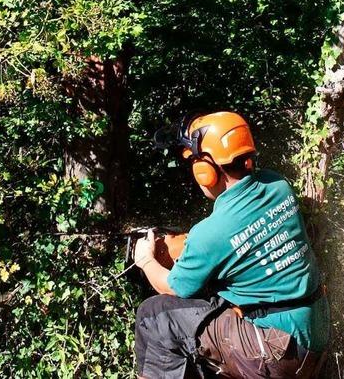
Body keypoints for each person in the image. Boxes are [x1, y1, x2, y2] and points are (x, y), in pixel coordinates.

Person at [133, 111, 330, 378]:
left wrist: (145, 259)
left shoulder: (212, 234)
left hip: (278, 352)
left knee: (155, 316)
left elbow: (171, 286)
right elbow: (244, 236)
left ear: (206, 171)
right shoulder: (278, 185)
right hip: (315, 334)